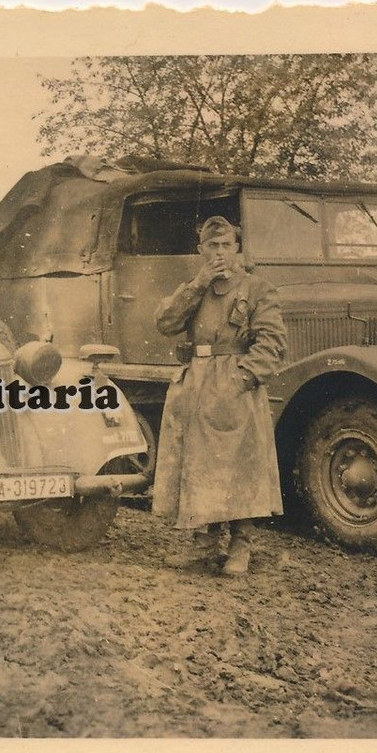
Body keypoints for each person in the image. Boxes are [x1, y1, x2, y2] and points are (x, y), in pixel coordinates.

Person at [151, 216, 287, 575]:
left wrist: (240, 380)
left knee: (239, 464)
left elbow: (272, 342)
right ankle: (204, 546)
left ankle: (241, 547)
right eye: (213, 247)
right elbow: (165, 323)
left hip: (234, 383)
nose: (220, 253)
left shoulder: (257, 288)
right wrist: (198, 284)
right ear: (201, 251)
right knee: (200, 465)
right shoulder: (197, 288)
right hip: (197, 382)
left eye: (227, 245)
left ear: (237, 249)